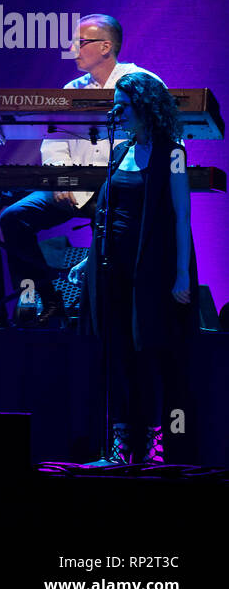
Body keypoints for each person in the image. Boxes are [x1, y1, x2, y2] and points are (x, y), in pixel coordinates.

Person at [0, 14, 163, 327]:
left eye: (81, 42)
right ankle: (46, 302)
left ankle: (109, 316)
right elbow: (55, 141)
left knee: (111, 231)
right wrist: (60, 178)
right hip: (74, 186)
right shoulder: (71, 89)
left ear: (106, 47)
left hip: (123, 191)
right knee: (13, 217)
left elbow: (165, 135)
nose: (73, 48)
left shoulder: (142, 82)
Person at [68, 72, 195, 464]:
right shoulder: (121, 151)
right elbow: (110, 217)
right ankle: (121, 449)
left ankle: (155, 448)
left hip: (151, 272)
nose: (116, 112)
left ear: (144, 105)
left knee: (149, 355)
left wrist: (182, 274)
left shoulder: (171, 152)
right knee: (117, 356)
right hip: (112, 270)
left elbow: (180, 216)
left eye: (122, 105)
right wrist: (90, 259)